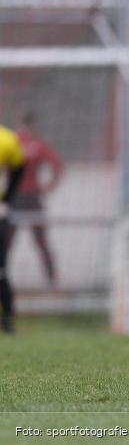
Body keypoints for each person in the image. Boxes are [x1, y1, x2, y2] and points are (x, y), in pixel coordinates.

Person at [6, 113, 63, 286]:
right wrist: (48, 187)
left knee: (6, 240)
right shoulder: (38, 144)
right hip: (33, 197)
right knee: (41, 240)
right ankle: (52, 279)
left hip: (16, 197)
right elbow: (57, 166)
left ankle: (3, 279)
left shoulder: (12, 143)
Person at [0, 122, 26, 333]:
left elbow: (19, 167)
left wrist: (7, 199)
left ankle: (8, 320)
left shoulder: (6, 139)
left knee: (0, 269)